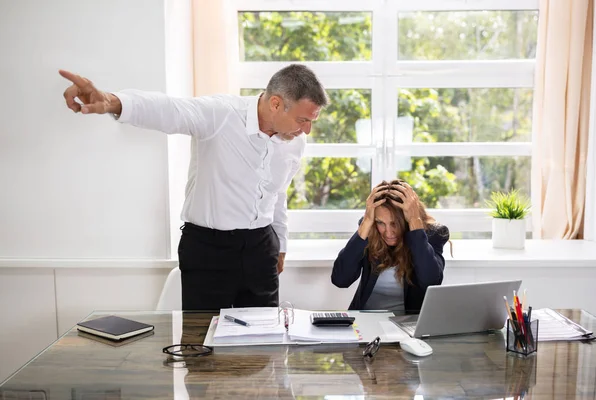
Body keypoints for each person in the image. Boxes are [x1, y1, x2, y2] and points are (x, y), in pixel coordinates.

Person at [59, 64, 328, 310]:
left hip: (261, 248)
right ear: (276, 104)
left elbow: (277, 193)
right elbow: (169, 110)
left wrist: (280, 244)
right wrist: (111, 101)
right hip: (209, 249)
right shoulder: (221, 114)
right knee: (201, 346)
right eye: (303, 120)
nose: (307, 131)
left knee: (261, 346)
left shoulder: (294, 142)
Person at [331, 179, 449, 313]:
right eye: (381, 222)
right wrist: (367, 222)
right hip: (365, 320)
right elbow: (340, 280)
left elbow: (431, 282)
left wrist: (415, 223)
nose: (388, 232)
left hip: (407, 325)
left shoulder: (432, 235)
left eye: (394, 223)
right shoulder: (370, 229)